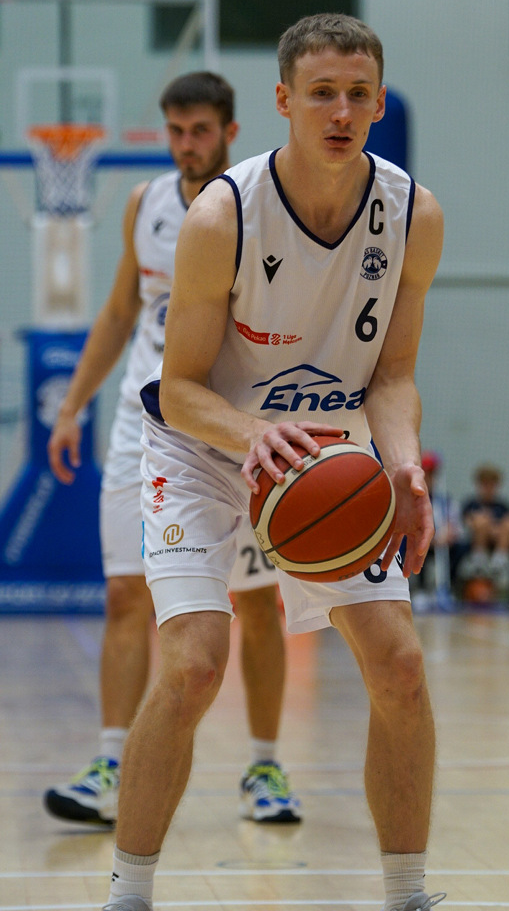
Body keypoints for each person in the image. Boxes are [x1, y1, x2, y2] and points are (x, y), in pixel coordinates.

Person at [101, 14, 445, 911]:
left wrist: (403, 466)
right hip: (208, 445)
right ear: (284, 101)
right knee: (193, 666)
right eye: (322, 93)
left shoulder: (413, 215)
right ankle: (128, 896)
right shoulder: (223, 216)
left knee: (400, 666)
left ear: (379, 102)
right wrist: (252, 436)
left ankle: (407, 896)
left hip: (328, 449)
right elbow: (178, 388)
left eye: (358, 94)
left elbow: (393, 375)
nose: (342, 111)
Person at [44, 72, 301, 828]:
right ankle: (110, 764)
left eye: (200, 131)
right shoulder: (145, 203)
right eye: (176, 131)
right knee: (124, 594)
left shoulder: (257, 207)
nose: (187, 145)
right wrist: (71, 407)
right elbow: (119, 311)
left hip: (228, 426)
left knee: (255, 603)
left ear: (230, 131)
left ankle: (264, 765)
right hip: (142, 420)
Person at [455, 462, 509, 602]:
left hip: (497, 542)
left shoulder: (504, 506)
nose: (488, 488)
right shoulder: (471, 504)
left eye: (492, 484)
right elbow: (468, 523)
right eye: (485, 484)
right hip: (474, 543)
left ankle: (500, 560)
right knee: (481, 520)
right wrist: (488, 526)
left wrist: (494, 529)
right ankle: (479, 557)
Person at [411, 450, 462, 610]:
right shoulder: (413, 499)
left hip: (442, 543)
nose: (429, 478)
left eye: (432, 474)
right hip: (422, 542)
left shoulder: (445, 500)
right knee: (419, 547)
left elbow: (455, 525)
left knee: (459, 548)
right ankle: (421, 589)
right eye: (426, 474)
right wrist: (431, 539)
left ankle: (446, 588)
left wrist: (450, 533)